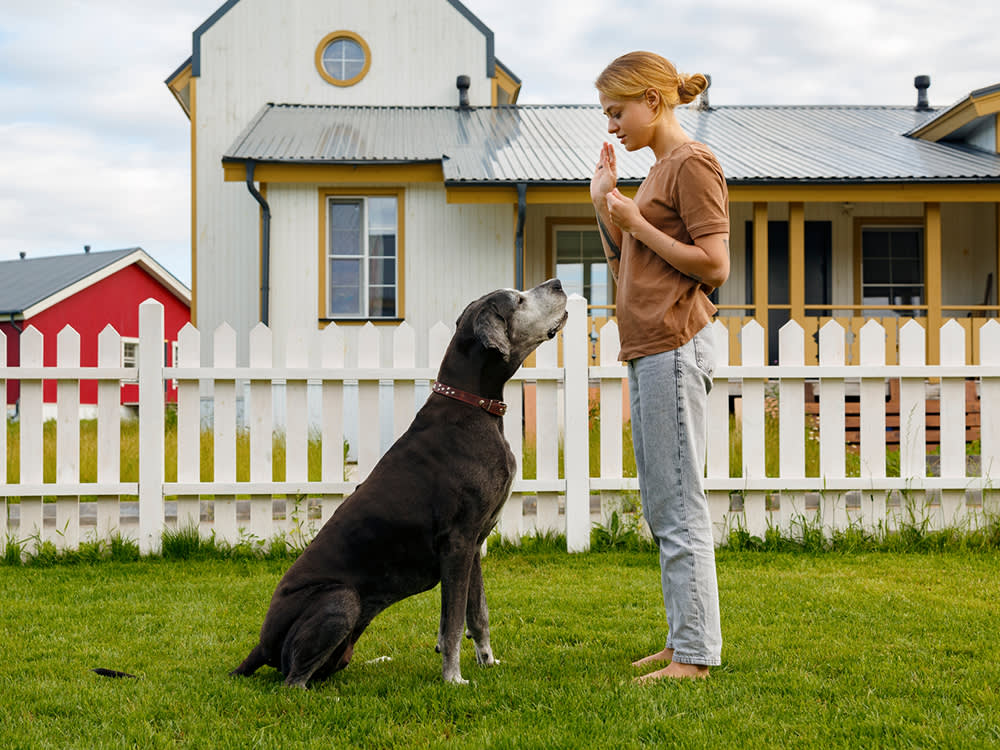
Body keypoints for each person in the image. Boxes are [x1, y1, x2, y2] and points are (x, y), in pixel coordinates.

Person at [590, 51, 730, 681]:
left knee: (679, 507)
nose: (612, 125)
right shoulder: (655, 175)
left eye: (616, 112)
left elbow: (715, 265)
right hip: (648, 347)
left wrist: (634, 221)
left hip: (674, 345)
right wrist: (606, 208)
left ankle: (696, 656)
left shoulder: (693, 164)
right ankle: (684, 640)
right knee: (662, 502)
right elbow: (632, 266)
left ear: (652, 99)